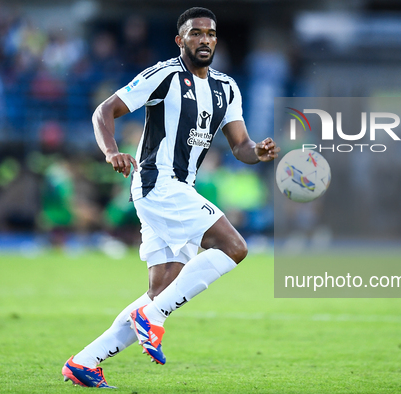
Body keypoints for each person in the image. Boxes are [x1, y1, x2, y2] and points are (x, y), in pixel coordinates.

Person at [62, 7, 279, 388]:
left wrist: (257, 151)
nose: (205, 39)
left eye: (211, 34)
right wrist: (112, 151)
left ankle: (85, 361)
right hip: (156, 182)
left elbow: (240, 145)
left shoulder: (226, 87)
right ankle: (153, 316)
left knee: (159, 290)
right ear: (181, 40)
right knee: (234, 246)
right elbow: (104, 111)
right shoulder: (163, 75)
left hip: (180, 188)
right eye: (196, 33)